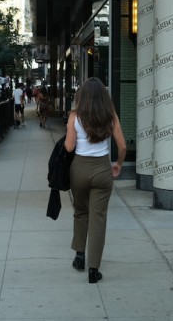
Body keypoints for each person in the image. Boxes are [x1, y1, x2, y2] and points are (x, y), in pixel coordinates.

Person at [64, 77, 126, 283]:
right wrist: (118, 164)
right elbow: (122, 146)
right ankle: (94, 269)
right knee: (98, 218)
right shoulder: (110, 116)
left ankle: (79, 256)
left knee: (81, 212)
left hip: (79, 169)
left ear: (82, 96)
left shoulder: (75, 116)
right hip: (102, 169)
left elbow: (69, 147)